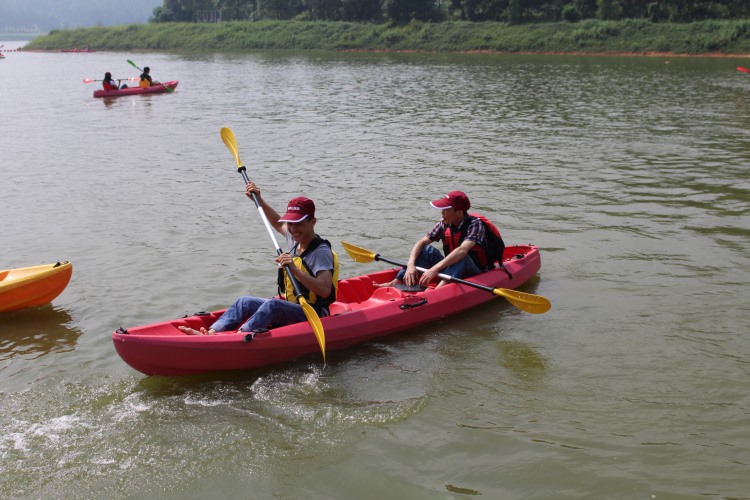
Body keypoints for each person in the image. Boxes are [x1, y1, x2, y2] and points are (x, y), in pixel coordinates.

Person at [179, 182, 338, 335]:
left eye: (298, 223)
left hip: (314, 313)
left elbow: (324, 290)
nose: (293, 229)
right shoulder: (295, 238)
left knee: (273, 305)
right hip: (293, 306)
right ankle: (212, 332)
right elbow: (277, 223)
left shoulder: (320, 252)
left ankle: (240, 336)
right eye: (290, 223)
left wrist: (295, 270)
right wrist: (258, 199)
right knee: (245, 301)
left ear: (313, 222)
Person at [375, 190, 490, 290]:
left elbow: (462, 251)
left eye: (446, 210)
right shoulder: (444, 223)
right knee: (426, 249)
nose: (442, 213)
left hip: (474, 271)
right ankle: (397, 282)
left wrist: (434, 269)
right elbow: (421, 242)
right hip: (451, 268)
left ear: (459, 213)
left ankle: (438, 292)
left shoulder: (475, 225)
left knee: (462, 257)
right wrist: (410, 265)